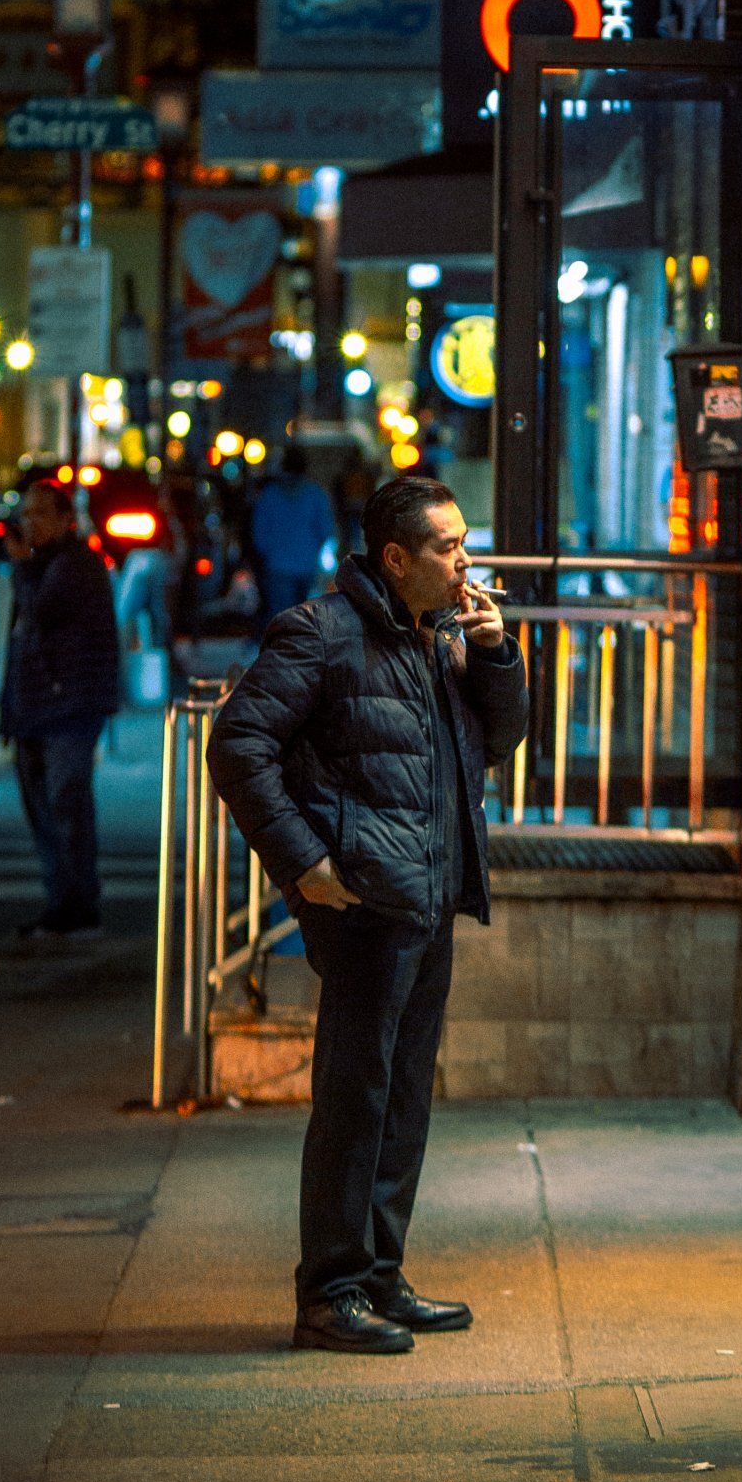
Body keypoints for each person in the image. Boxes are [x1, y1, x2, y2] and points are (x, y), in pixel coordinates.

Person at [209, 475, 527, 1354]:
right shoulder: (320, 634)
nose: (466, 562)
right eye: (448, 547)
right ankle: (331, 1294)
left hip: (426, 897)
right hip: (362, 904)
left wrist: (496, 659)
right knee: (355, 1100)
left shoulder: (440, 637)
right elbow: (238, 744)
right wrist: (304, 862)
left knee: (403, 1098)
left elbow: (494, 744)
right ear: (396, 559)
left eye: (465, 543)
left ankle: (381, 1277)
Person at [0, 476, 120, 940]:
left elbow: (39, 614)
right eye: (24, 514)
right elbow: (19, 640)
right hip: (36, 707)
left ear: (64, 519)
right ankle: (61, 903)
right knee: (45, 812)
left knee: (66, 806)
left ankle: (77, 905)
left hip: (66, 707)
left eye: (38, 515)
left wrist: (23, 566)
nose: (29, 524)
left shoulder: (74, 565)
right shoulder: (44, 564)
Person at [249, 445, 336, 618]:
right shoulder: (315, 494)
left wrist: (267, 553)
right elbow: (326, 529)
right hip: (306, 564)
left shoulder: (270, 494)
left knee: (281, 616)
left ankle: (283, 644)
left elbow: (259, 530)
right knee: (304, 616)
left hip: (278, 565)